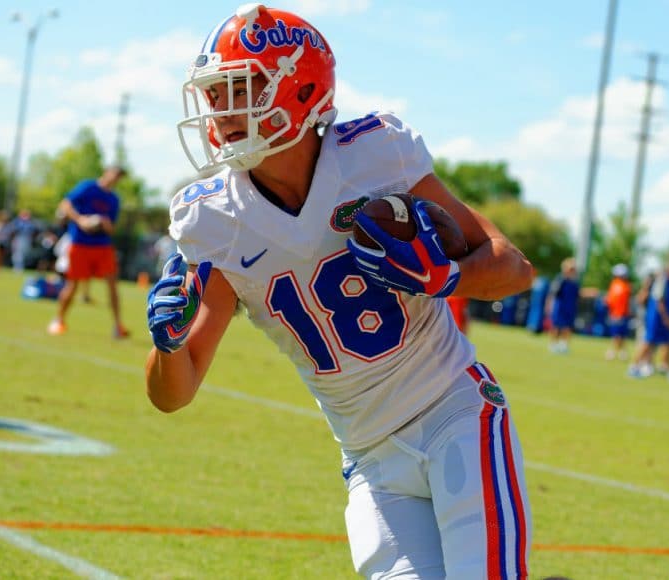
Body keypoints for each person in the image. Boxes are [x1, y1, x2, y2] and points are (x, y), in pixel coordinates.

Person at [144, 6, 534, 578]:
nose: (220, 111)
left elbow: (513, 266)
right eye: (213, 94)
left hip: (456, 413)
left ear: (300, 87)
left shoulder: (376, 155)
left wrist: (447, 277)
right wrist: (168, 345)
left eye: (239, 88)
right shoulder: (212, 221)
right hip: (370, 460)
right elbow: (172, 394)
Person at [47, 166, 129, 338]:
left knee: (112, 285)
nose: (115, 180)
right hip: (80, 244)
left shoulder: (114, 199)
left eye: (118, 178)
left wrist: (106, 225)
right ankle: (58, 320)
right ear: (106, 172)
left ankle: (118, 326)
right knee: (73, 284)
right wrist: (81, 220)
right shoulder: (87, 187)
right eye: (114, 175)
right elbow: (65, 204)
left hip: (102, 246)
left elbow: (112, 228)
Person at [628, 264, 669, 378]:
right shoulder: (662, 283)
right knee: (648, 342)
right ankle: (633, 367)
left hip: (665, 320)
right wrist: (666, 318)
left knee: (668, 343)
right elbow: (660, 302)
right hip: (657, 320)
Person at [546, 258, 579, 354]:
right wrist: (549, 305)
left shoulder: (575, 282)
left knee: (567, 327)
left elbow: (577, 295)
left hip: (570, 308)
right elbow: (552, 294)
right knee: (556, 326)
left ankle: (563, 345)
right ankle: (553, 344)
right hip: (559, 307)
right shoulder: (560, 280)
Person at [604, 263, 632, 361]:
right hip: (615, 314)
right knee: (616, 334)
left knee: (620, 335)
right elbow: (609, 300)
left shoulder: (625, 286)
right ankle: (618, 352)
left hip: (622, 314)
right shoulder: (615, 284)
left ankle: (617, 352)